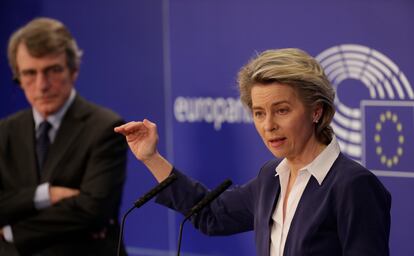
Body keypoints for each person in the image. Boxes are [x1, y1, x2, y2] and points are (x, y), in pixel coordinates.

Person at [115, 48, 391, 256]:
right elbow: (211, 214)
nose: (269, 125)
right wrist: (152, 158)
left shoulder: (352, 185)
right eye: (259, 113)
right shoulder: (271, 177)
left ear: (316, 111)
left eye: (282, 110)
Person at [0, 17, 128, 255]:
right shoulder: (4, 132)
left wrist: (10, 232)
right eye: (29, 73)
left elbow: (93, 212)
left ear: (74, 70)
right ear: (18, 78)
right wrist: (46, 194)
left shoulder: (105, 128)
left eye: (53, 70)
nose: (41, 85)